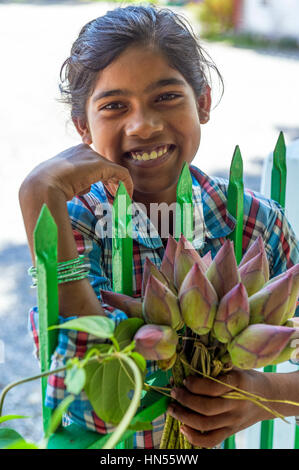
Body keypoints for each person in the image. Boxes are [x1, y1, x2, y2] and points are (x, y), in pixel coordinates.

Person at [19, 5, 299, 449]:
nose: (143, 125)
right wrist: (38, 196)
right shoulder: (75, 224)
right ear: (82, 127)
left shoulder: (254, 227)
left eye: (166, 97)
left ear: (202, 103)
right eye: (114, 106)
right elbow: (93, 404)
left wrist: (269, 394)